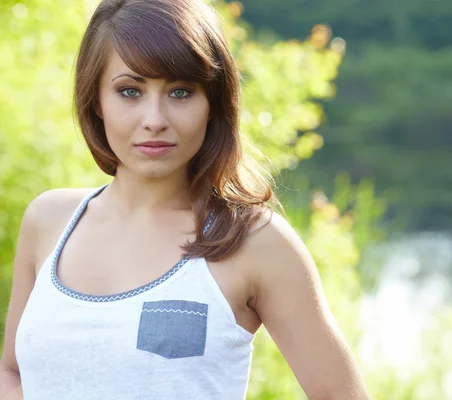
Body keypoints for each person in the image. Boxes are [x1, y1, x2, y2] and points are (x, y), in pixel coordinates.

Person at [0, 0, 370, 399]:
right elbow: (12, 373)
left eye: (180, 92)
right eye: (130, 91)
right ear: (95, 101)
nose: (155, 119)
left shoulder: (253, 241)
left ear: (213, 104)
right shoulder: (49, 221)